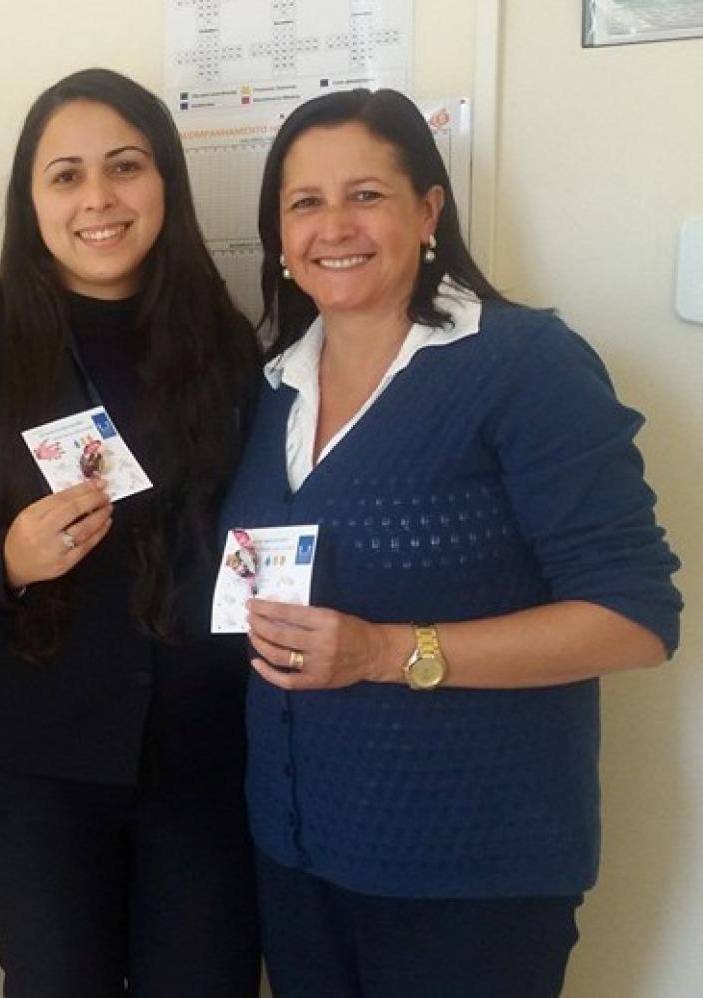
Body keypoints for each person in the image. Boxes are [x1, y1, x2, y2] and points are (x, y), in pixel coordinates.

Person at [221, 88, 684, 997]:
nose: (334, 226)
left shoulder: (522, 365)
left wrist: (388, 652)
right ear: (279, 235)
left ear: (429, 210)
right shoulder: (273, 385)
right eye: (304, 203)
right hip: (297, 855)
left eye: (367, 194)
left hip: (472, 871)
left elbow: (636, 617)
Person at [0, 68, 261, 997]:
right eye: (65, 175)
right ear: (31, 200)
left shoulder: (223, 340)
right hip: (35, 775)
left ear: (166, 184)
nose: (98, 198)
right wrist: (5, 561)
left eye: (125, 167)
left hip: (204, 763)